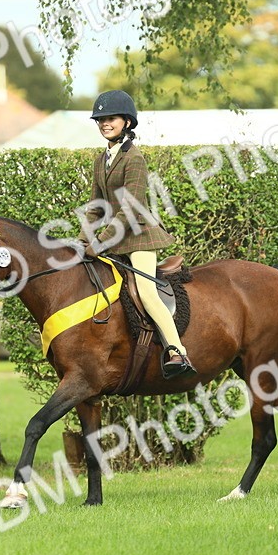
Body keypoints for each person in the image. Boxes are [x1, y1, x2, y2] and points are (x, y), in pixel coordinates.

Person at [82, 90, 194, 380]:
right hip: (115, 239)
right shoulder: (100, 160)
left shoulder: (135, 159)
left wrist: (100, 242)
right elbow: (96, 208)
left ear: (127, 123)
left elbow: (130, 210)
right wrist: (84, 239)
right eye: (101, 119)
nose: (105, 123)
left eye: (112, 119)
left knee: (145, 292)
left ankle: (176, 350)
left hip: (140, 237)